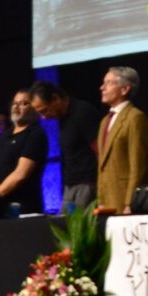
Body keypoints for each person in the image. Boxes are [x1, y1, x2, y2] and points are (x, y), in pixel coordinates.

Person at [29, 80, 102, 211]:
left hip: (87, 185)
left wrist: (102, 187)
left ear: (55, 98)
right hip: (70, 186)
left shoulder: (82, 112)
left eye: (44, 110)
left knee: (81, 230)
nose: (44, 117)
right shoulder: (63, 118)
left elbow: (100, 151)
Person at [0, 89, 49, 214]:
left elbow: (21, 174)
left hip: (20, 208)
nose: (16, 107)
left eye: (23, 103)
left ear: (34, 108)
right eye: (14, 103)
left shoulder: (35, 135)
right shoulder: (4, 136)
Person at [96, 66, 148, 214]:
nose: (102, 87)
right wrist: (100, 200)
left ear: (125, 89)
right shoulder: (104, 121)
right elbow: (102, 166)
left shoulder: (135, 118)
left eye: (108, 83)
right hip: (107, 201)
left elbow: (137, 165)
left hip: (124, 201)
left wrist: (130, 203)